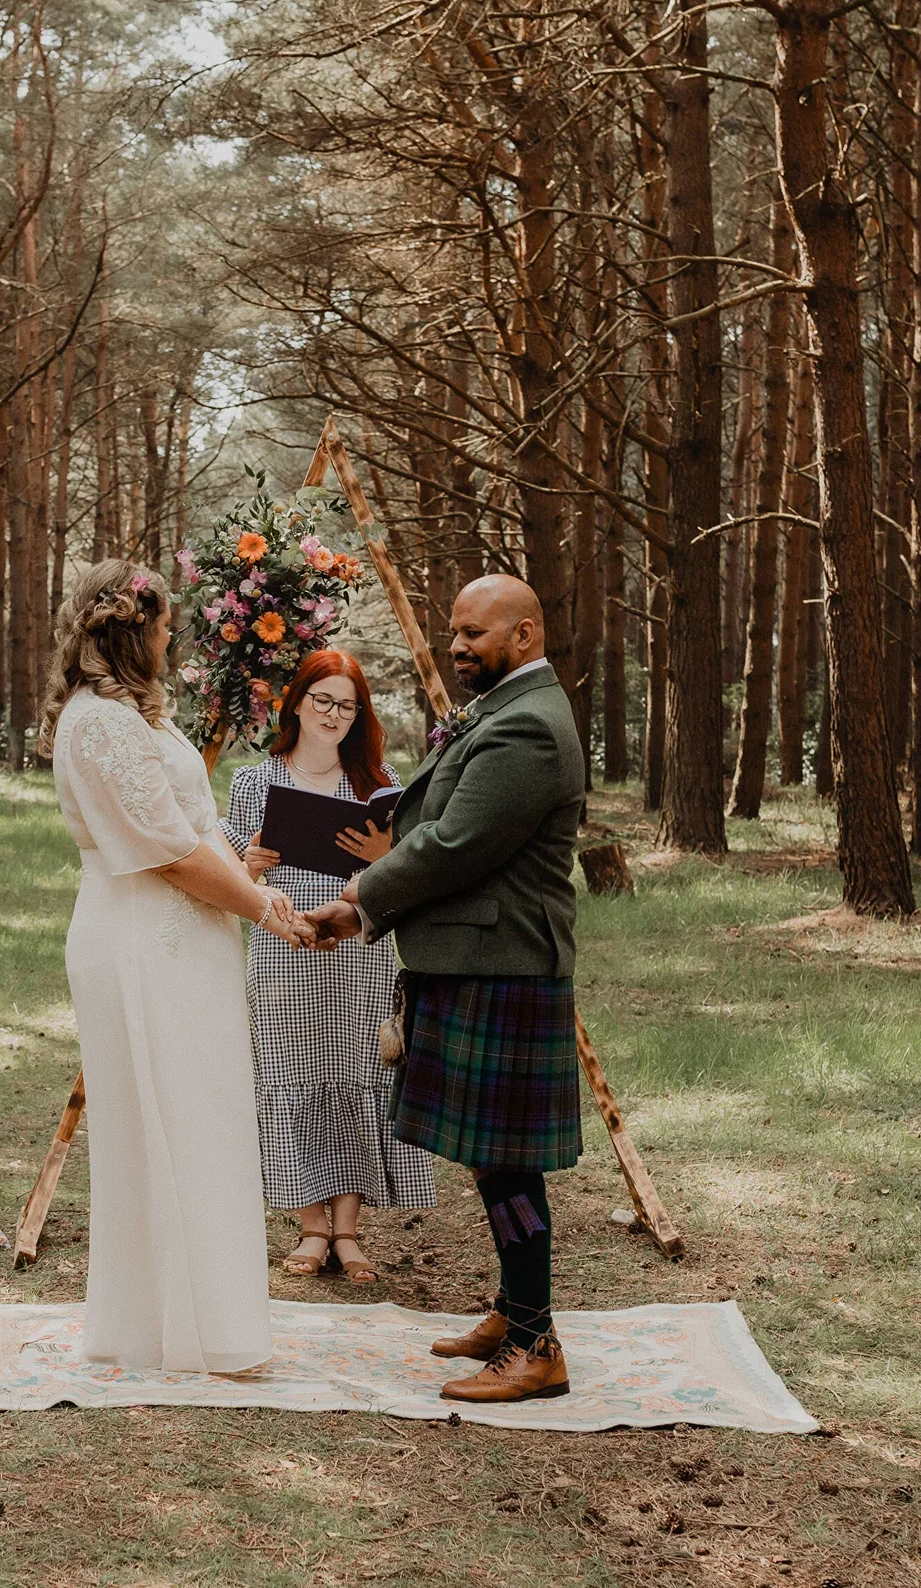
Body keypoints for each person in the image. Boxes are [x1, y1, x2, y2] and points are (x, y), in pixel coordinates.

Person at [303, 575, 587, 1404]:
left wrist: (357, 903)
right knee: (493, 1160)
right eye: (452, 631)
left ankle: (536, 1346)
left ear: (526, 634)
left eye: (473, 633)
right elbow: (435, 824)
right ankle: (516, 1308)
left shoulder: (529, 727)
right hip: (474, 958)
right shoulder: (504, 709)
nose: (457, 646)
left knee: (507, 1163)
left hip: (499, 965)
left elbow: (454, 845)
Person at [39, 560, 311, 1373]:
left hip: (187, 936)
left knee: (202, 1116)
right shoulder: (102, 726)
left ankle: (201, 1313)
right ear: (131, 631)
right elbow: (165, 855)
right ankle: (173, 1327)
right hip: (141, 941)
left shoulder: (134, 719)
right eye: (162, 626)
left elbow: (188, 835)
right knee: (164, 1121)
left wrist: (239, 862)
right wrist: (263, 910)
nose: (170, 638)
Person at [222, 650, 437, 1283]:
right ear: (297, 703)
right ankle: (311, 1226)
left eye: (348, 705)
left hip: (357, 949)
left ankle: (348, 1231)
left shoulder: (379, 781)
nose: (335, 715)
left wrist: (382, 853)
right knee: (295, 1069)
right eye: (323, 701)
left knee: (357, 1069)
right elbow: (230, 867)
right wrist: (248, 867)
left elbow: (407, 870)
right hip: (286, 946)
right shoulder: (255, 782)